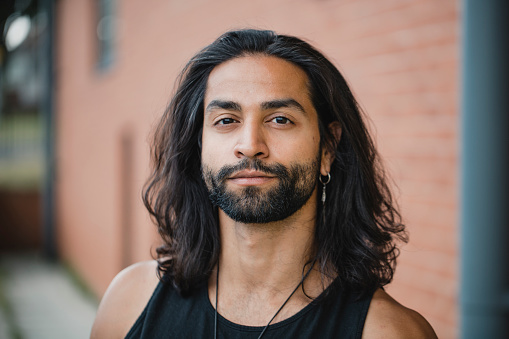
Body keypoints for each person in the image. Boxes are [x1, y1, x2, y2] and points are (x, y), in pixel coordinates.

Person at [91, 29, 437, 338]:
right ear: (199, 147)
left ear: (327, 147)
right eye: (226, 120)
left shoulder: (388, 331)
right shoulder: (130, 303)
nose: (250, 143)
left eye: (280, 119)